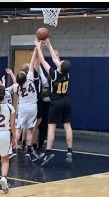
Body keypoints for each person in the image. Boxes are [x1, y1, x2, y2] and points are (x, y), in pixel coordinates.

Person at [37, 38, 73, 167]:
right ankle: (69, 151)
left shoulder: (53, 74)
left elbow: (43, 61)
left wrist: (38, 47)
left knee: (51, 128)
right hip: (66, 101)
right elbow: (55, 59)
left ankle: (48, 151)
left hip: (56, 102)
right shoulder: (67, 74)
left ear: (61, 66)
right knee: (67, 126)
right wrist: (49, 45)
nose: (60, 60)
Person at [5, 52, 41, 160]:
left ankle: (12, 149)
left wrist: (11, 74)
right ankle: (28, 150)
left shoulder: (17, 87)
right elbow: (31, 64)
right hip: (33, 107)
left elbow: (17, 82)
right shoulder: (30, 79)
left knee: (19, 129)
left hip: (23, 108)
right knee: (30, 129)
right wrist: (36, 50)